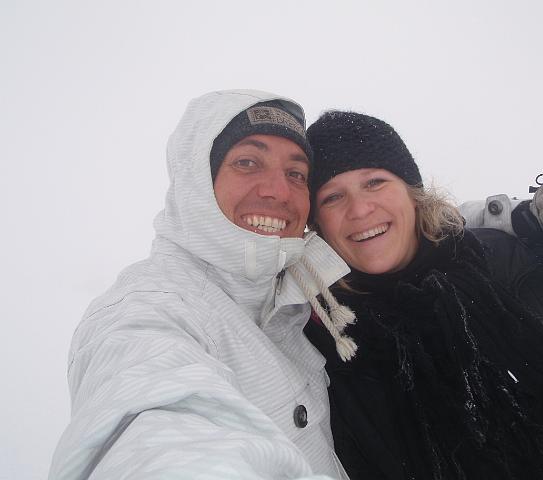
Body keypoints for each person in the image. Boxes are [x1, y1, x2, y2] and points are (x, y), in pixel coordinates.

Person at [303, 110, 543, 479]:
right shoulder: (329, 343)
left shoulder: (506, 263)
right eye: (332, 197)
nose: (359, 209)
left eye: (375, 182)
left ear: (413, 192)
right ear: (317, 223)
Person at [49, 90, 355, 480]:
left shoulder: (306, 299)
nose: (279, 191)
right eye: (247, 162)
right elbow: (153, 422)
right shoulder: (149, 308)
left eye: (296, 174)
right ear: (196, 179)